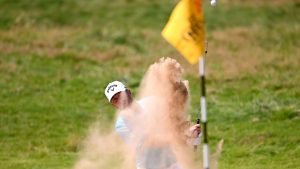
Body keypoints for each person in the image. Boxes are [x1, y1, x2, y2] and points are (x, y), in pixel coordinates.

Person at [105, 80, 201, 169]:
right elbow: (149, 141)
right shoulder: (121, 124)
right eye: (115, 100)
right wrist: (183, 136)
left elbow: (173, 122)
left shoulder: (151, 102)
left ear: (128, 92)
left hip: (173, 162)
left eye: (121, 95)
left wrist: (192, 134)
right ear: (113, 104)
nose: (120, 100)